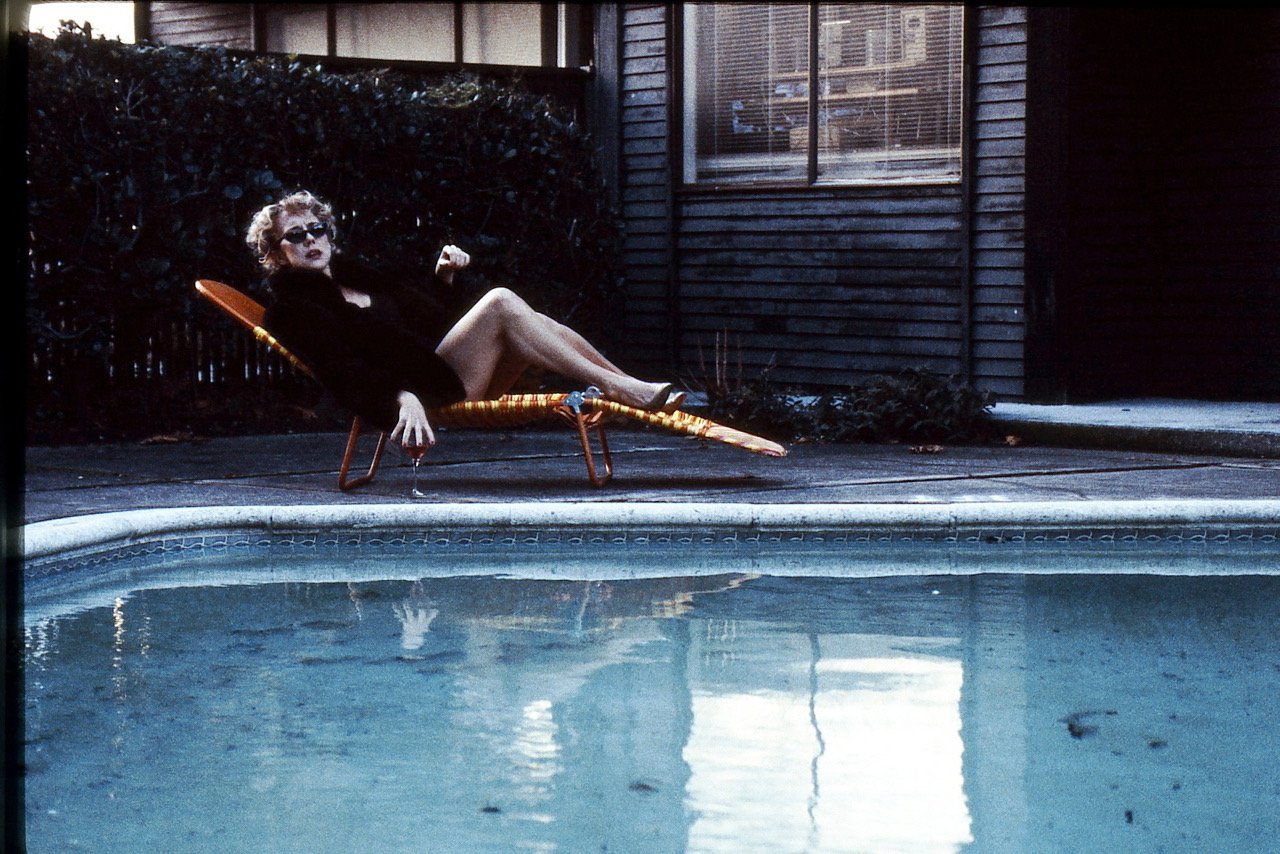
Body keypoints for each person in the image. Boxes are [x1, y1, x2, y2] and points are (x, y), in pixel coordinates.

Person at [245, 190, 683, 452]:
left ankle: (627, 386)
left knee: (533, 319)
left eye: (316, 229)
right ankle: (621, 388)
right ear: (275, 252)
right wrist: (401, 397)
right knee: (501, 302)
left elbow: (434, 322)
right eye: (295, 235)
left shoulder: (360, 278)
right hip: (431, 392)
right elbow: (340, 371)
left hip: (441, 374)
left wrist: (444, 278)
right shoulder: (292, 310)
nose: (310, 240)